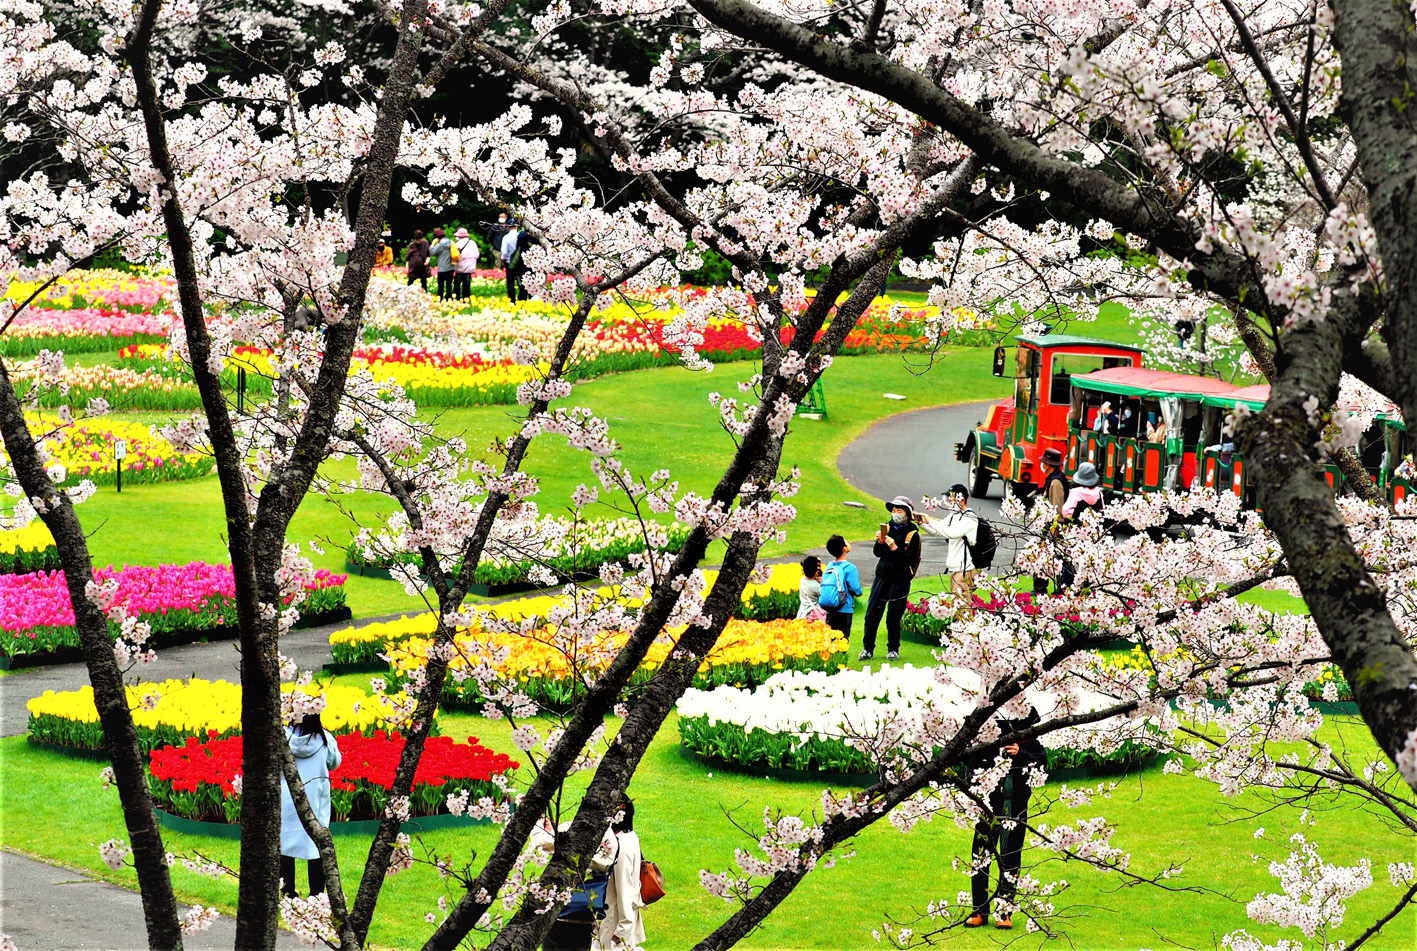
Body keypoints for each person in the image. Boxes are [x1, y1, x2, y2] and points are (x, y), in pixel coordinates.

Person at [964, 707, 1047, 931]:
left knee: (1011, 858)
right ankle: (979, 910)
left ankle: (1004, 911)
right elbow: (970, 763)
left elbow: (1041, 766)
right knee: (980, 856)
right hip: (987, 807)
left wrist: (1020, 754)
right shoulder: (988, 740)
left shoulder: (1031, 743)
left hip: (1015, 809)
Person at [279, 713, 342, 900]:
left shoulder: (283, 736)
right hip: (314, 802)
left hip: (287, 800)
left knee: (285, 847)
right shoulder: (324, 739)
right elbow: (335, 762)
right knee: (316, 847)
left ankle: (287, 892)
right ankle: (316, 894)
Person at [861, 496, 921, 662]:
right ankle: (867, 648)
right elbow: (877, 553)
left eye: (899, 511)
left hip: (900, 579)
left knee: (893, 616)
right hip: (882, 576)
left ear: (907, 514)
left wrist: (894, 548)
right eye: (894, 511)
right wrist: (880, 542)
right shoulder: (888, 528)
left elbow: (909, 559)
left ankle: (893, 649)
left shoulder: (913, 535)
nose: (895, 514)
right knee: (872, 613)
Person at [595, 799, 646, 951]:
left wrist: (621, 931)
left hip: (614, 924)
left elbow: (625, 889)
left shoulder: (621, 847)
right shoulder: (629, 837)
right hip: (612, 918)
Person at [918, 484, 978, 601]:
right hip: (954, 569)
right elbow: (937, 531)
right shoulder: (953, 515)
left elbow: (952, 533)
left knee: (962, 608)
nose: (949, 503)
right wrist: (922, 524)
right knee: (959, 606)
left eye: (951, 500)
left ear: (962, 500)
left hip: (963, 570)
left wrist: (930, 520)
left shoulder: (969, 517)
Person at [1032, 448, 1070, 595]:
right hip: (1051, 526)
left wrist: (1055, 527)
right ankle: (1044, 587)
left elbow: (1057, 507)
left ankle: (1051, 588)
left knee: (1050, 557)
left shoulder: (1055, 482)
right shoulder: (1055, 479)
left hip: (1053, 527)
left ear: (1047, 465)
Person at [820, 535, 863, 641]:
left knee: (831, 638)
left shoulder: (829, 566)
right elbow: (855, 588)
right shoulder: (850, 568)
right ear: (844, 549)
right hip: (844, 608)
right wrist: (859, 592)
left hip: (830, 608)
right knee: (843, 639)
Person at [502, 221, 530, 303]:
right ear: (517, 226)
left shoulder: (506, 237)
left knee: (510, 282)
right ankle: (522, 299)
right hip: (521, 262)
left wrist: (503, 260)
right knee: (521, 282)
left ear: (508, 227)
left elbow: (504, 252)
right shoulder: (521, 235)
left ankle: (512, 300)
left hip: (509, 262)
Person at [452, 227, 479, 300]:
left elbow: (454, 256)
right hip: (470, 268)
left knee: (457, 284)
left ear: (459, 236)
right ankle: (466, 298)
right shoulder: (473, 243)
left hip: (460, 268)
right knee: (467, 284)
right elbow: (477, 255)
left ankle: (456, 298)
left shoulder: (457, 244)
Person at [430, 227, 454, 300]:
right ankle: (449, 298)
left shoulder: (439, 245)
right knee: (449, 285)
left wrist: (433, 244)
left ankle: (440, 299)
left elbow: (431, 253)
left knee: (441, 285)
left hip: (442, 268)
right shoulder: (450, 242)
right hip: (450, 267)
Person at [797, 555, 824, 620]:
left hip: (802, 614)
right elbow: (825, 597)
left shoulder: (802, 580)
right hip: (813, 616)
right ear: (817, 572)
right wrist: (822, 582)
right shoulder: (816, 586)